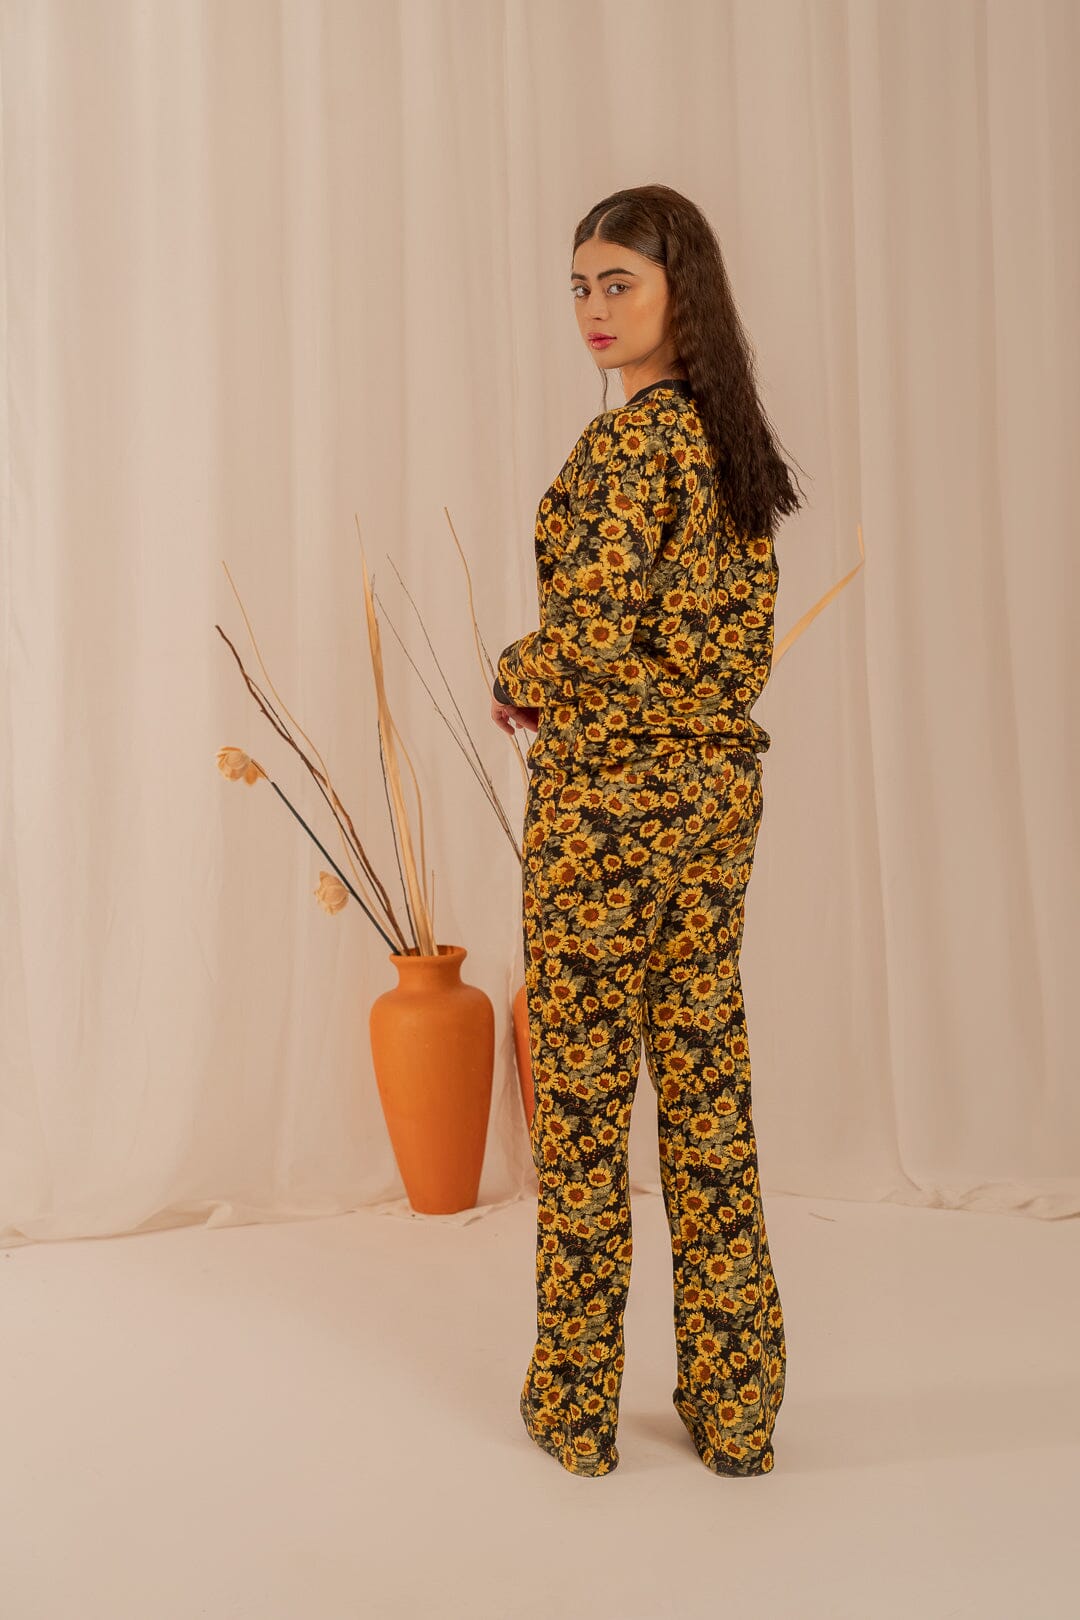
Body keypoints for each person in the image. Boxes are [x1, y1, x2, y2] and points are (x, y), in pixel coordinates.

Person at [491, 184, 805, 1478]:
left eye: (618, 282)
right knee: (706, 1093)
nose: (593, 309)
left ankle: (575, 1407)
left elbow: (590, 642)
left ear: (684, 288)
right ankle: (739, 1409)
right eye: (580, 285)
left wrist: (518, 669)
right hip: (717, 802)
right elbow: (723, 650)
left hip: (609, 813)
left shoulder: (629, 449)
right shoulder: (734, 450)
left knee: (580, 1106)